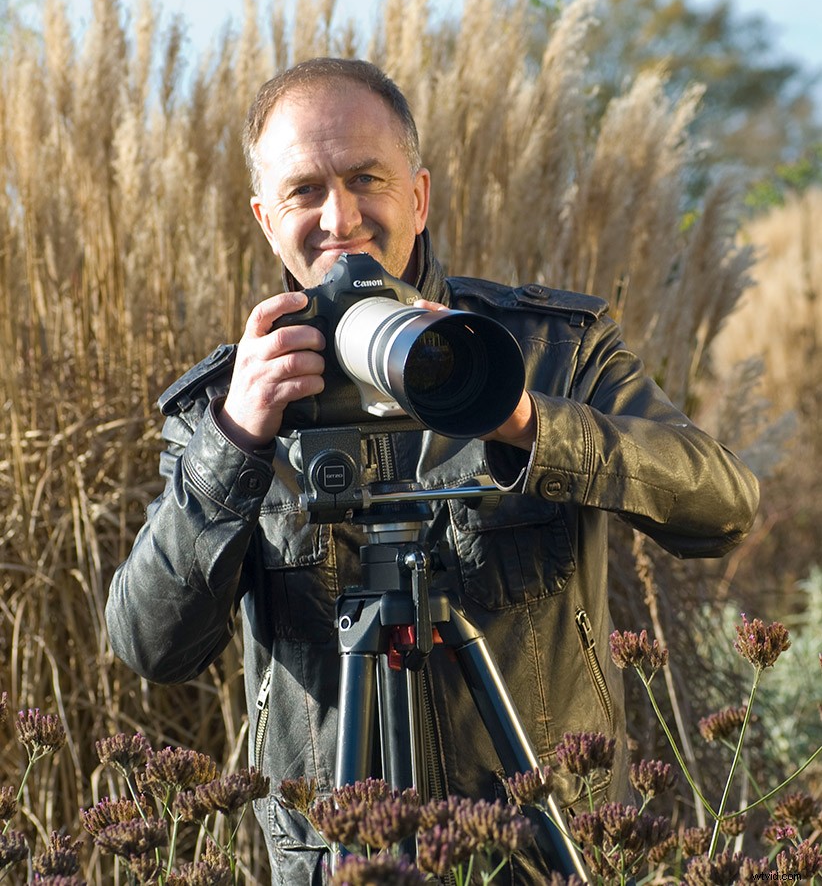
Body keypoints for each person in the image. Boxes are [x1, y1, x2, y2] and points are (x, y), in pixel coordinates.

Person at [106, 57, 760, 884]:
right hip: (342, 862)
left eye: (365, 179)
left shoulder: (547, 351)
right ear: (265, 216)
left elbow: (724, 502)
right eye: (305, 190)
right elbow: (148, 644)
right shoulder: (225, 407)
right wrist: (234, 443)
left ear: (418, 195)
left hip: (540, 848)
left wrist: (524, 423)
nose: (338, 217)